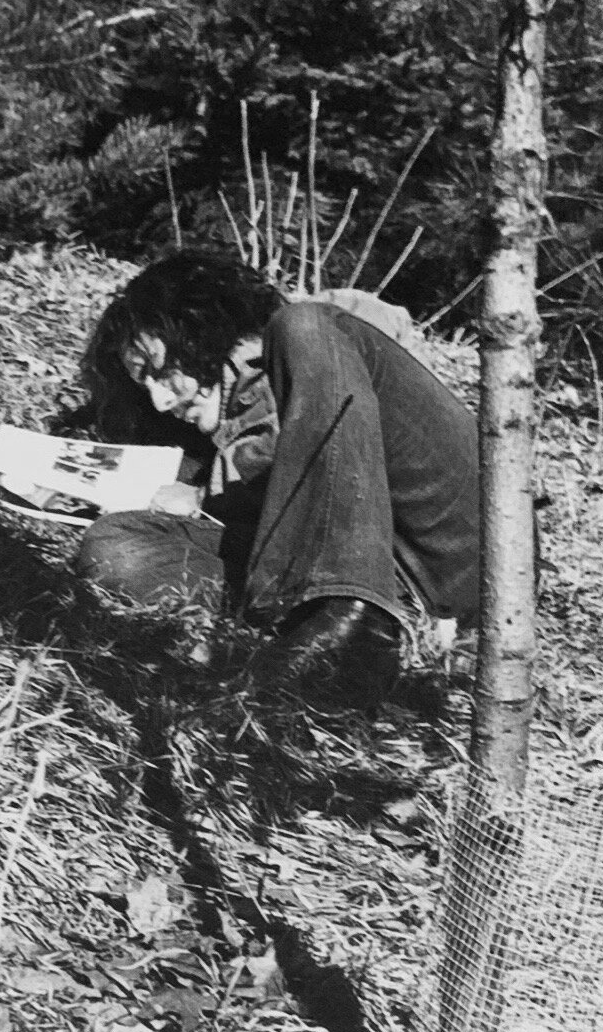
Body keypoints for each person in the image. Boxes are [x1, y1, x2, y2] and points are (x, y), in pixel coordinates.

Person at [71, 250, 487, 702]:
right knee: (115, 544)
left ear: (200, 332)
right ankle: (340, 635)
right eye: (142, 384)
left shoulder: (305, 331)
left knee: (305, 326)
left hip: (443, 546)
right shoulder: (213, 431)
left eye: (159, 372)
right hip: (347, 580)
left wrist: (216, 481)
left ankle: (356, 621)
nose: (159, 400)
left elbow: (379, 323)